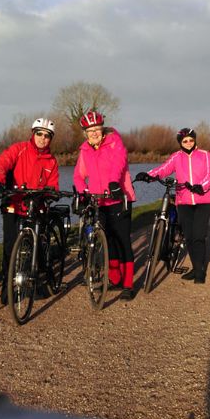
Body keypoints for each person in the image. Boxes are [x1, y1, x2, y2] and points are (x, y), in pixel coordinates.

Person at [0, 118, 59, 304]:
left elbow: (53, 184)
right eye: (39, 134)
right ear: (33, 134)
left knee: (35, 246)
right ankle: (7, 289)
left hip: (36, 206)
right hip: (15, 203)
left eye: (47, 136)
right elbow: (1, 164)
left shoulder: (51, 160)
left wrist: (52, 193)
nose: (43, 138)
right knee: (10, 248)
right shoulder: (18, 149)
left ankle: (31, 284)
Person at [135, 128, 210, 284]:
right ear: (180, 143)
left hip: (202, 201)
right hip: (183, 201)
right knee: (190, 237)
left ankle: (200, 273)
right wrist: (148, 175)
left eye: (191, 140)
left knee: (199, 236)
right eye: (185, 141)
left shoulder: (205, 155)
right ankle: (196, 267)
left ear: (195, 140)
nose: (188, 143)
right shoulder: (176, 157)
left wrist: (201, 186)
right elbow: (164, 169)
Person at [73, 110, 137, 299]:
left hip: (118, 198)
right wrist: (82, 191)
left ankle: (128, 285)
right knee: (107, 239)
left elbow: (119, 163)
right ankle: (115, 278)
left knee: (122, 240)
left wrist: (113, 183)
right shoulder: (85, 150)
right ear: (85, 133)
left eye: (96, 129)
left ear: (102, 129)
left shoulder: (115, 143)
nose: (94, 133)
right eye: (89, 130)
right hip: (98, 201)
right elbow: (79, 175)